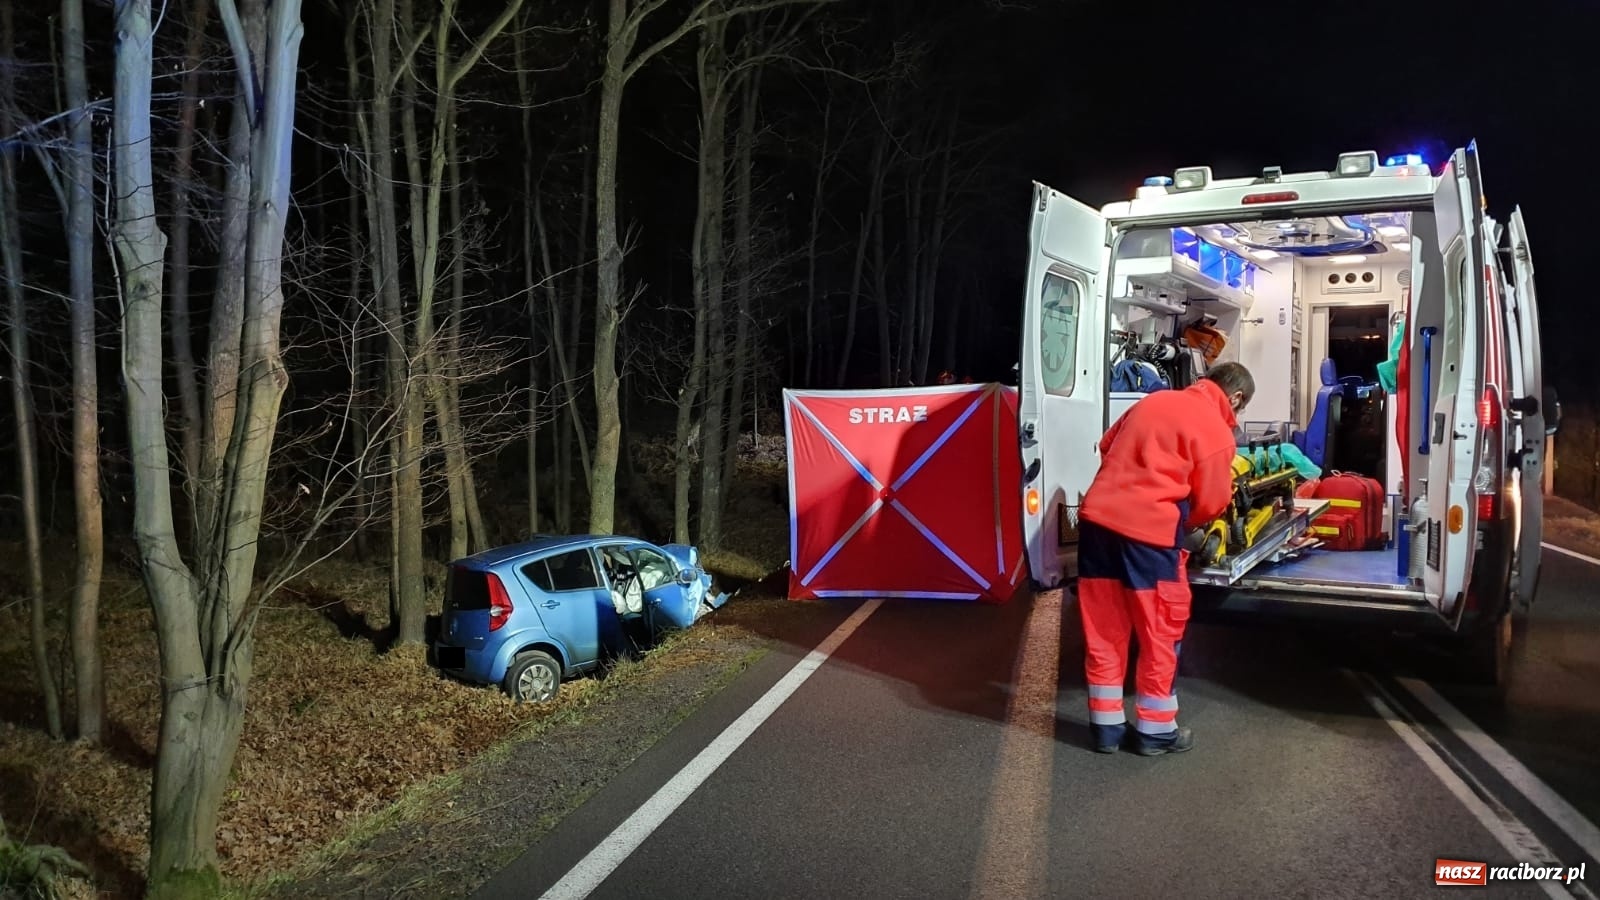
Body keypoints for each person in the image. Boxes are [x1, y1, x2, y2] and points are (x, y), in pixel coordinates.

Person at [1075, 361, 1255, 756]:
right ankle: (1155, 732)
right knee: (1159, 633)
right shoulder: (1216, 432)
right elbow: (1212, 502)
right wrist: (1181, 517)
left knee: (1105, 630)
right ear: (1236, 397)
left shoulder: (1151, 401)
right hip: (1149, 537)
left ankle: (1106, 730)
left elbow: (1106, 446)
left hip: (1096, 525)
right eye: (1239, 410)